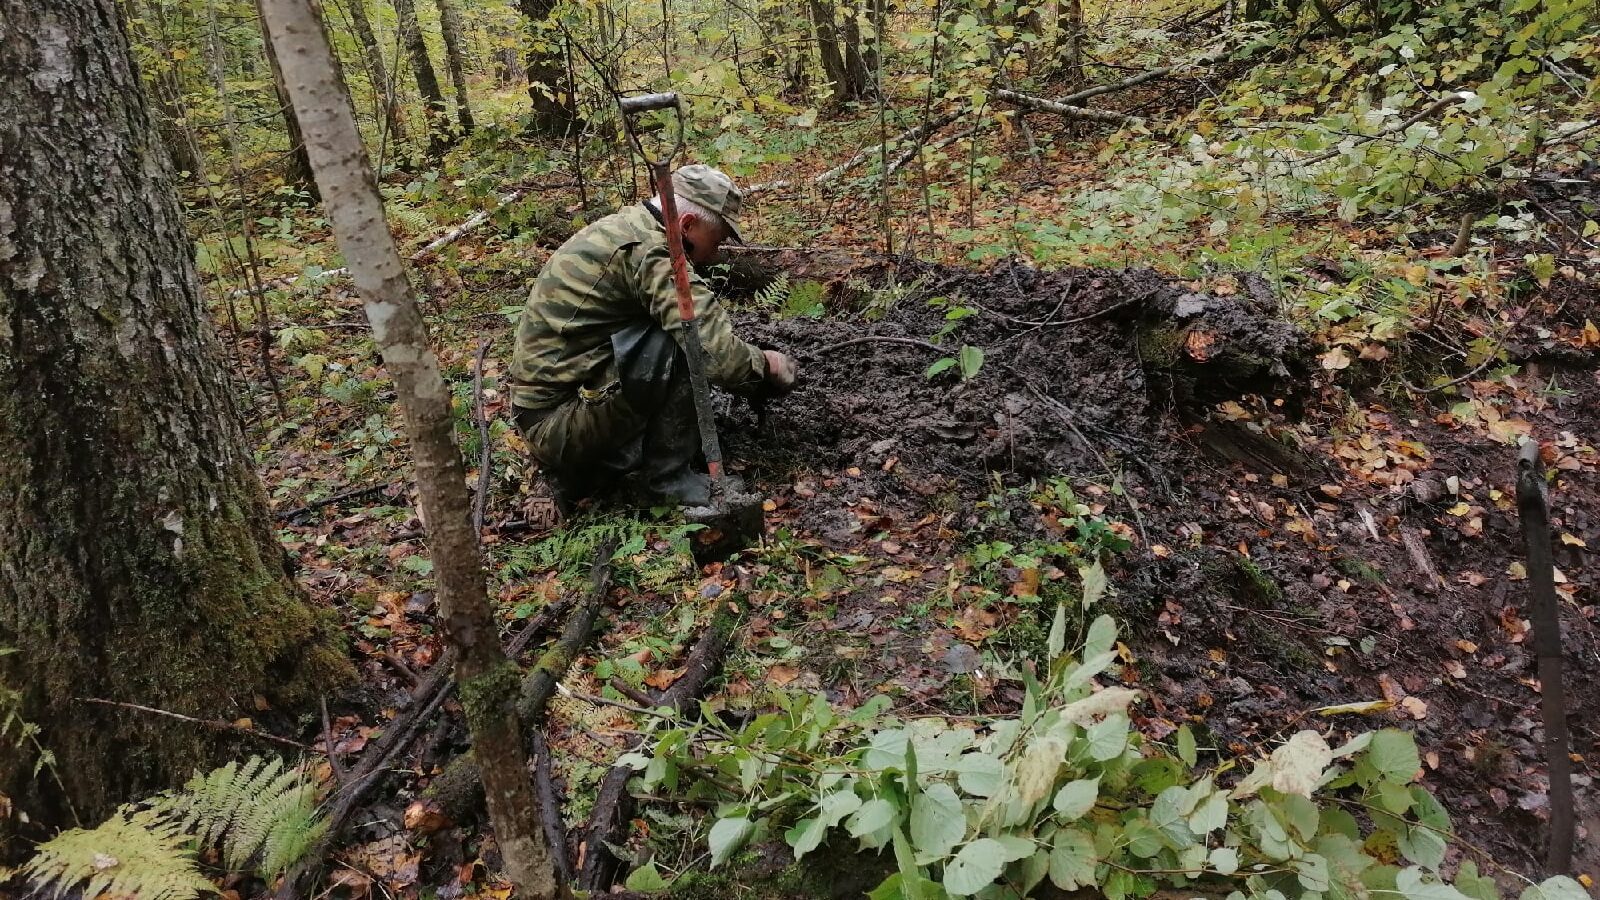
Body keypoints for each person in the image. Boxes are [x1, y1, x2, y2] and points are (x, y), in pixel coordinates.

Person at [509, 164, 797, 508]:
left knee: (669, 334)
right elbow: (717, 356)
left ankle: (613, 462)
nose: (716, 252)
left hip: (544, 412)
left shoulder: (632, 226)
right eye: (716, 239)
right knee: (682, 342)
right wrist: (766, 365)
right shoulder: (655, 254)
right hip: (555, 427)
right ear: (687, 225)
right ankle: (668, 480)